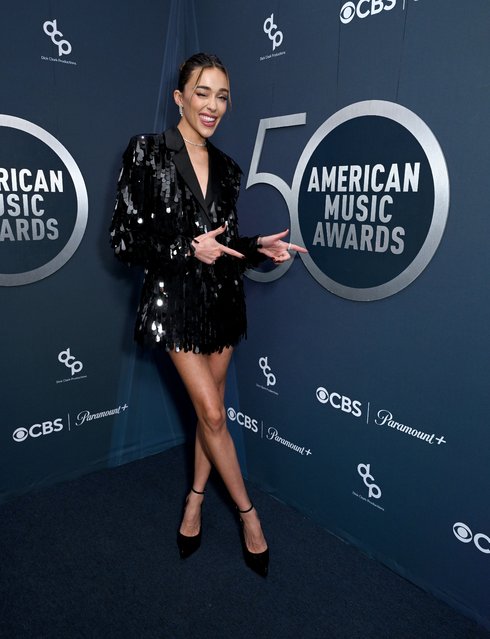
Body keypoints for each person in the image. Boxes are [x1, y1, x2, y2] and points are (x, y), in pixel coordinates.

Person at [110, 52, 306, 577]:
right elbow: (124, 240)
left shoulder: (229, 168)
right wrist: (183, 249)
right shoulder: (147, 153)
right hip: (174, 306)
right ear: (180, 96)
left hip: (220, 303)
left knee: (208, 413)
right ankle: (249, 515)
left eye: (222, 95)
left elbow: (218, 245)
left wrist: (256, 247)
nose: (213, 105)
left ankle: (195, 498)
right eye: (203, 92)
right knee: (215, 416)